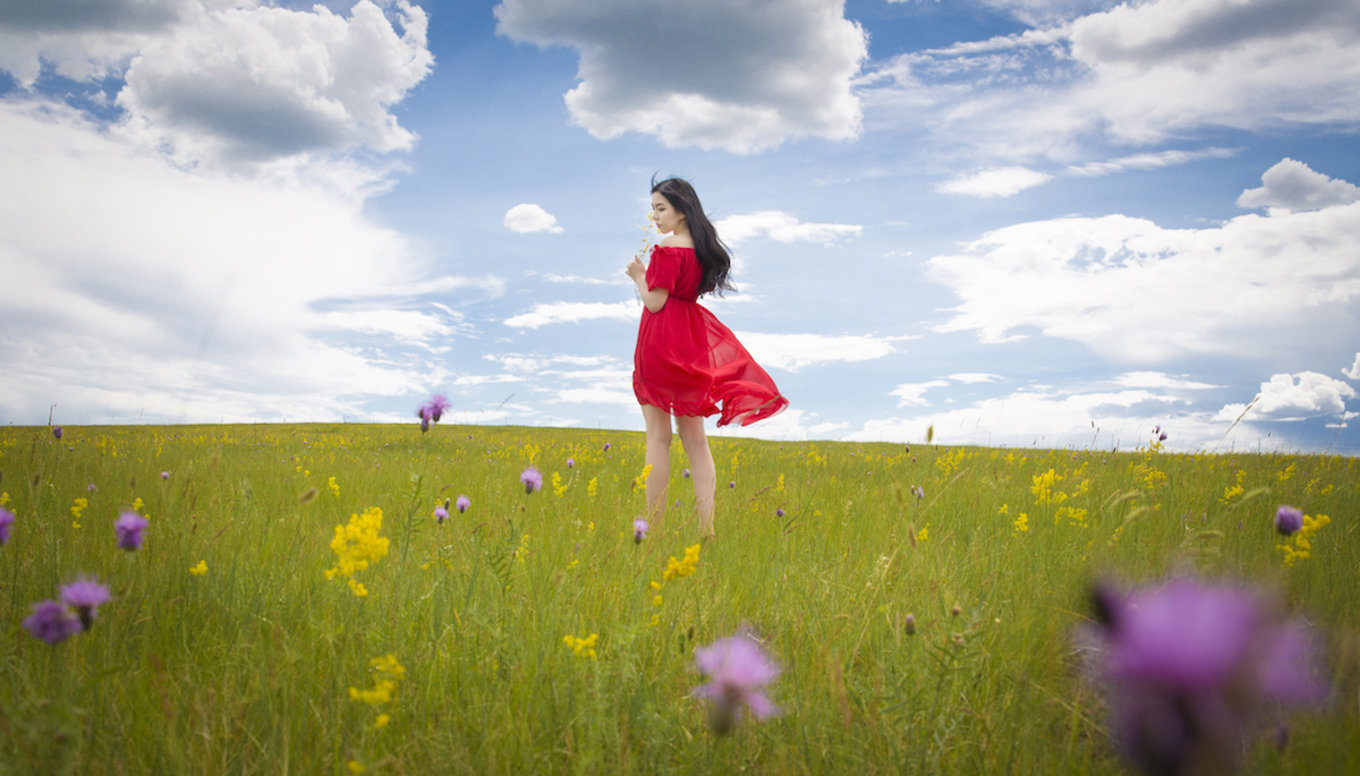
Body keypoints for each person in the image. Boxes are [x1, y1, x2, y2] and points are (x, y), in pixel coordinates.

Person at [626, 177, 788, 537]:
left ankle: (653, 528)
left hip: (660, 341)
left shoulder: (667, 249)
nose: (654, 216)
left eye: (661, 208)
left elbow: (655, 302)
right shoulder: (700, 250)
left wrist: (638, 277)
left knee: (658, 436)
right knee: (695, 438)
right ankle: (706, 527)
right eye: (653, 208)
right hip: (689, 340)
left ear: (682, 211)